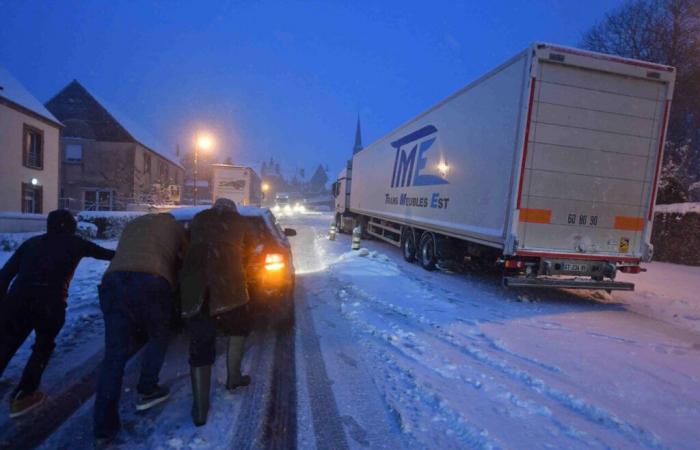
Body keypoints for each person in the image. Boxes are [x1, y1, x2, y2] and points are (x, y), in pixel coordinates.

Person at [0, 209, 115, 418]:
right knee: (42, 346)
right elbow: (107, 254)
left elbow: (5, 275)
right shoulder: (76, 243)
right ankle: (24, 395)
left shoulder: (30, 244)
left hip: (17, 300)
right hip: (50, 303)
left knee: (7, 342)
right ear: (71, 226)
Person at [93, 213, 187, 444]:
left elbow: (123, 252)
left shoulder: (133, 224)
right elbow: (184, 260)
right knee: (158, 334)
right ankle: (147, 388)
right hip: (151, 280)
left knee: (114, 354)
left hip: (113, 281)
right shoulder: (176, 228)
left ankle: (103, 428)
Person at [180, 198, 253, 426]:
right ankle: (233, 378)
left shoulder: (199, 219)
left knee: (200, 341)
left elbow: (187, 245)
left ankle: (200, 409)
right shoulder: (241, 222)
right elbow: (249, 252)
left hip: (195, 284)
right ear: (233, 210)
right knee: (239, 327)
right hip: (229, 283)